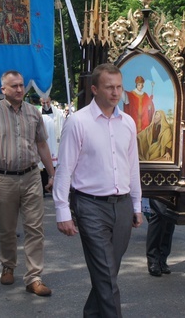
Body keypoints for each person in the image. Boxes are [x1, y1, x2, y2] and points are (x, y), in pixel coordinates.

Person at [53, 63, 143, 316]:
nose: (116, 93)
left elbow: (132, 167)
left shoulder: (127, 122)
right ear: (94, 89)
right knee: (105, 274)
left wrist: (136, 205)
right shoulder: (78, 122)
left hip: (123, 205)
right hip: (90, 206)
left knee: (108, 273)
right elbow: (65, 169)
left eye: (119, 87)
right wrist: (63, 211)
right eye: (109, 87)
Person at [0, 70, 55, 297]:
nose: (20, 89)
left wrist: (52, 173)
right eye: (14, 86)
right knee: (7, 229)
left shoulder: (33, 112)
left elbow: (42, 145)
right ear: (3, 89)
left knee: (35, 228)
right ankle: (8, 265)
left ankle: (34, 277)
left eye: (21, 85)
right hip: (4, 178)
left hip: (31, 176)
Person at [40, 97, 64, 196]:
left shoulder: (58, 113)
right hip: (43, 141)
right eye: (43, 102)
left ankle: (55, 188)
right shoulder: (37, 113)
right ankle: (43, 188)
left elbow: (62, 127)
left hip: (54, 142)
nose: (45, 104)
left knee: (55, 165)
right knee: (42, 166)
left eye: (47, 102)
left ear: (51, 101)